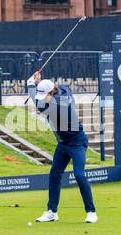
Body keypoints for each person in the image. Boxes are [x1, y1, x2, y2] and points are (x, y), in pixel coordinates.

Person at [27, 71, 98, 224]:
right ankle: (52, 212)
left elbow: (37, 104)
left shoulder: (58, 104)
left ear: (51, 93)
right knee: (54, 175)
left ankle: (91, 212)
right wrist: (37, 83)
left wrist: (30, 84)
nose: (43, 98)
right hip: (63, 143)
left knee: (79, 175)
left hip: (77, 142)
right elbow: (55, 90)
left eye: (44, 95)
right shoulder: (61, 91)